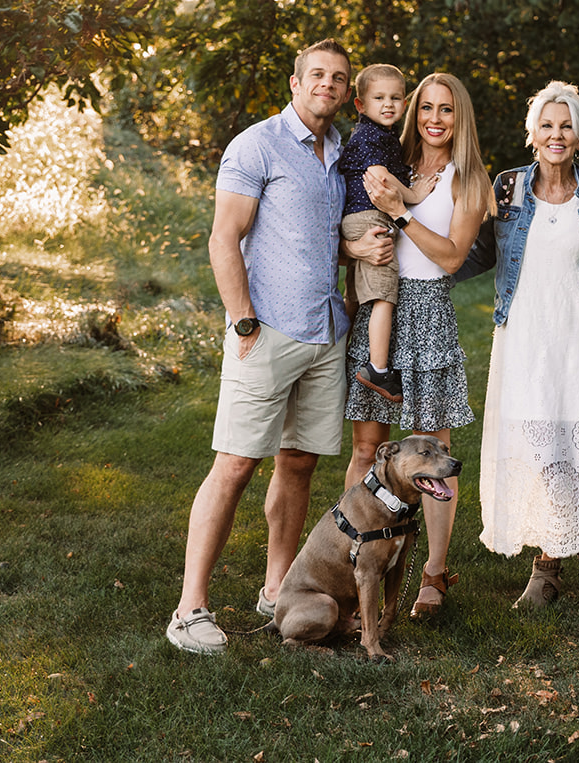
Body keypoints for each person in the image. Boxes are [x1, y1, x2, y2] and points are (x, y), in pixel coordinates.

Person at [167, 39, 391, 654]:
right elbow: (223, 238)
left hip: (325, 335)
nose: (328, 84)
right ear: (295, 83)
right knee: (236, 465)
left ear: (347, 90)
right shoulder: (256, 145)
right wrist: (243, 322)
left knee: (298, 465)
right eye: (316, 75)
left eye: (338, 78)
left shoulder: (343, 150)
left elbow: (323, 235)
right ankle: (190, 609)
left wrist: (353, 258)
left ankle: (276, 587)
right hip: (264, 333)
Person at [343, 72, 494, 620]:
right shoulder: (391, 159)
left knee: (431, 455)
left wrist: (404, 212)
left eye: (446, 110)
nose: (435, 119)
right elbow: (353, 220)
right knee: (367, 450)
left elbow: (453, 257)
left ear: (460, 118)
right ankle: (357, 554)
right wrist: (353, 239)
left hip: (427, 312)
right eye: (426, 107)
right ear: (412, 111)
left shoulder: (468, 179)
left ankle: (433, 571)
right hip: (380, 305)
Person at [476, 81, 579, 608]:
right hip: (523, 339)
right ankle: (547, 566)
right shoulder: (506, 190)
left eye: (567, 126)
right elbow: (472, 251)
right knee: (540, 447)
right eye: (547, 125)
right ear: (532, 134)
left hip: (578, 339)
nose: (557, 134)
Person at [339, 63, 435, 402]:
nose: (388, 104)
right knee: (384, 296)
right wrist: (413, 196)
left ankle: (339, 347)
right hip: (371, 219)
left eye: (396, 97)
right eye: (379, 97)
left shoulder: (381, 135)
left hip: (357, 217)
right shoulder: (372, 137)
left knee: (355, 294)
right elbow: (379, 175)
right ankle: (378, 369)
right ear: (361, 105)